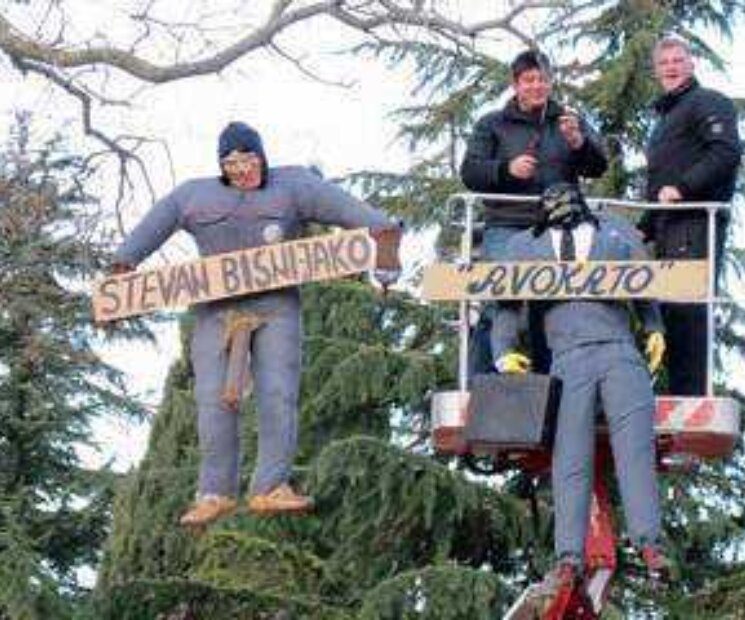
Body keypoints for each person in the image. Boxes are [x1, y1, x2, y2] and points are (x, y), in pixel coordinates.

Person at [112, 121, 401, 527]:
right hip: (216, 310)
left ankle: (270, 485)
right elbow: (156, 222)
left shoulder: (295, 185)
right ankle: (214, 492)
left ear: (261, 157)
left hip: (276, 306)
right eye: (231, 163)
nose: (241, 169)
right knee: (212, 399)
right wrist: (125, 263)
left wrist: (383, 234)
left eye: (248, 159)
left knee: (277, 392)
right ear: (221, 166)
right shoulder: (194, 196)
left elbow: (349, 210)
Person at [491, 184, 668, 599]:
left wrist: (655, 326)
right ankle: (568, 557)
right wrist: (502, 352)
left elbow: (642, 281)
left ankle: (650, 544)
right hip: (567, 357)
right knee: (569, 457)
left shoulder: (615, 233)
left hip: (619, 350)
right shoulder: (524, 245)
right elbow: (506, 303)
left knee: (635, 449)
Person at [460, 49, 608, 376]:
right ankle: (479, 385)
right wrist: (506, 169)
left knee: (553, 308)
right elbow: (469, 172)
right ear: (515, 84)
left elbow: (599, 166)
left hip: (557, 229)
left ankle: (552, 389)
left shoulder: (570, 121)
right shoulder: (492, 124)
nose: (536, 86)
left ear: (551, 82)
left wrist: (579, 143)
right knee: (496, 303)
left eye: (542, 80)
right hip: (506, 225)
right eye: (529, 80)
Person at [640, 36, 742, 396]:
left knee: (688, 312)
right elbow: (658, 184)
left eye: (677, 60)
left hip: (695, 223)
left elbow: (726, 152)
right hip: (668, 227)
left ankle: (691, 397)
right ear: (655, 71)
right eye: (663, 61)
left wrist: (683, 188)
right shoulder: (664, 120)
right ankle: (677, 395)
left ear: (692, 63)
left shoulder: (708, 102)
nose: (671, 66)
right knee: (669, 314)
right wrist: (644, 229)